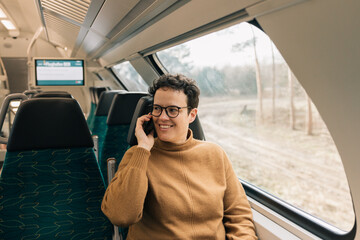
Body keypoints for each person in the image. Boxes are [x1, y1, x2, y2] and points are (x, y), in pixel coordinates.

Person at [101, 74, 258, 239]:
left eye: (172, 110)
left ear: (192, 115)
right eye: (157, 108)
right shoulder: (137, 155)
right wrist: (143, 149)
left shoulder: (215, 154)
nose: (162, 117)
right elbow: (121, 216)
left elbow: (239, 214)